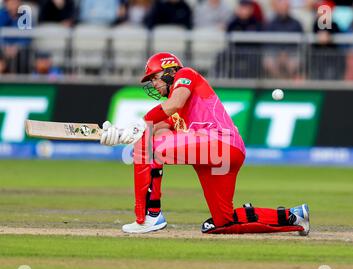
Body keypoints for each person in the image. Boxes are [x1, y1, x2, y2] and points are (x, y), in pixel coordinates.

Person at [100, 52, 310, 235]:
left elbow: (173, 105)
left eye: (154, 78)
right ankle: (294, 216)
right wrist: (120, 134)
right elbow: (157, 129)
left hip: (219, 143)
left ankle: (149, 216)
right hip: (224, 155)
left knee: (150, 149)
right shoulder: (179, 113)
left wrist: (141, 125)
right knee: (223, 223)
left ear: (169, 71)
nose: (153, 84)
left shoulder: (185, 74)